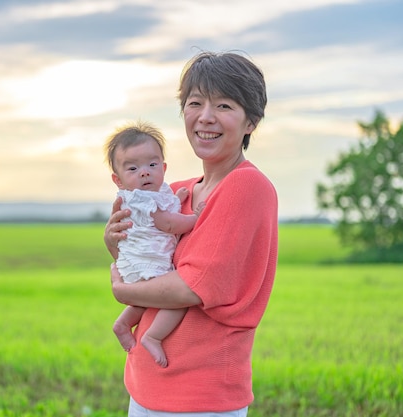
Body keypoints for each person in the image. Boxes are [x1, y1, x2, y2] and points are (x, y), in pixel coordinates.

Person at [104, 51, 278, 416]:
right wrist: (114, 245)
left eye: (224, 105)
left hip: (200, 397)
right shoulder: (174, 192)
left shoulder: (246, 186)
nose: (206, 117)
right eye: (195, 103)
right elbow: (147, 259)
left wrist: (122, 290)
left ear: (251, 122)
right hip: (146, 385)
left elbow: (192, 287)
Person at [104, 120, 203, 368]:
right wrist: (195, 219)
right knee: (176, 302)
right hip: (150, 262)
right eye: (133, 168)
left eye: (152, 164)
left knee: (144, 300)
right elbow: (168, 223)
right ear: (118, 180)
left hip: (136, 264)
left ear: (163, 167)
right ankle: (153, 336)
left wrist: (177, 198)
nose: (145, 172)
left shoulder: (152, 194)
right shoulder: (140, 199)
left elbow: (166, 205)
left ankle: (123, 324)